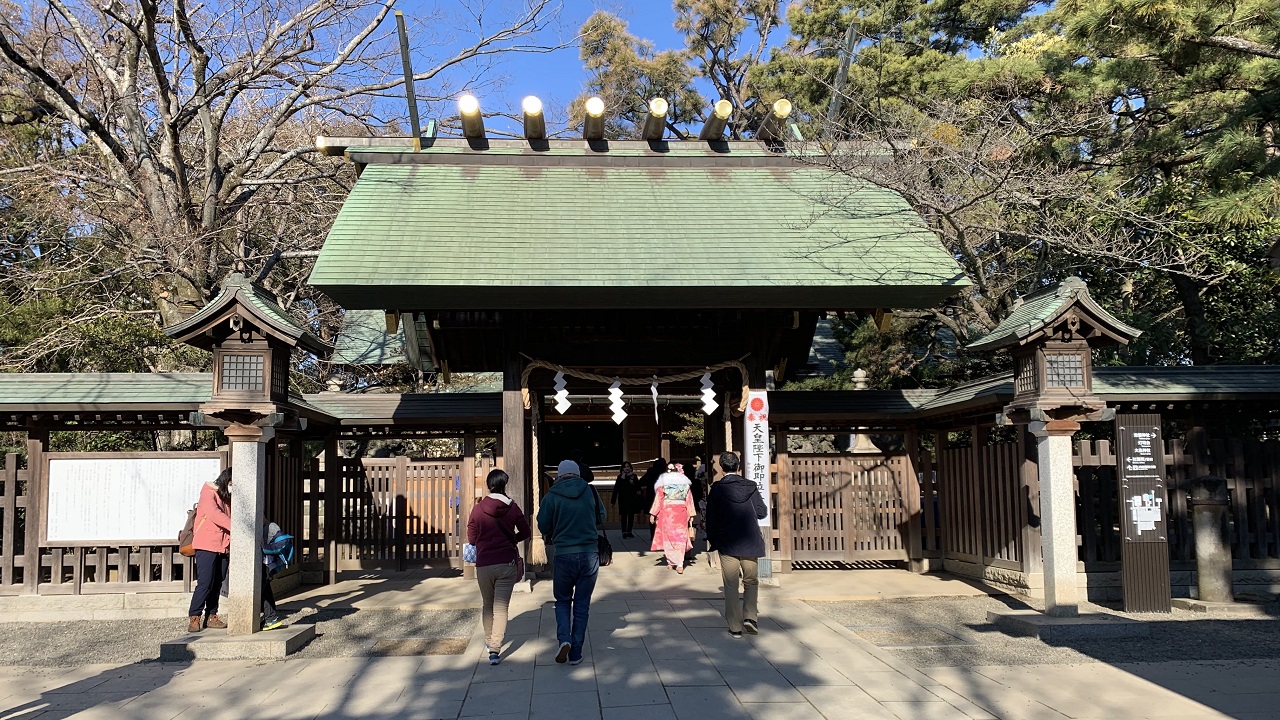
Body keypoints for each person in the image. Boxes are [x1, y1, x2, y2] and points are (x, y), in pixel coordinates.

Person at [537, 459, 606, 665]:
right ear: (577, 473)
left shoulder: (551, 495)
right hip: (589, 553)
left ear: (559, 474)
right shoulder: (590, 491)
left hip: (563, 553)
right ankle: (576, 652)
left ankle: (564, 639)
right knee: (582, 603)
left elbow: (543, 524)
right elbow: (601, 515)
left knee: (563, 600)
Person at [467, 469, 532, 665]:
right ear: (505, 485)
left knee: (487, 604)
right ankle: (495, 649)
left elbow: (471, 537)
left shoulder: (478, 509)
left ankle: (488, 641)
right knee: (501, 608)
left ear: (488, 485)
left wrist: (484, 542)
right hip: (506, 561)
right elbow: (526, 531)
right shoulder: (512, 507)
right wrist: (512, 539)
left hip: (484, 562)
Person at [704, 452, 768, 638]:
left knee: (731, 584)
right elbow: (762, 512)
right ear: (738, 466)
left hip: (727, 541)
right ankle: (750, 617)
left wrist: (713, 540)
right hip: (749, 540)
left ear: (721, 468)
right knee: (751, 580)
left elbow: (711, 518)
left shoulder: (717, 489)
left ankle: (735, 626)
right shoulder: (751, 487)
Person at [187, 468, 232, 633]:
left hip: (223, 545)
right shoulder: (208, 492)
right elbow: (214, 514)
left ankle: (212, 615)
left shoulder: (226, 496)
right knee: (205, 583)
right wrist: (237, 527)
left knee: (217, 583)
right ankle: (194, 616)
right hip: (206, 544)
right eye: (231, 483)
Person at [648, 463, 695, 573]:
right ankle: (671, 561)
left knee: (678, 538)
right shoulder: (668, 486)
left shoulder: (684, 486)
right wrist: (653, 513)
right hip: (670, 513)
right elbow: (659, 499)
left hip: (676, 513)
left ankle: (679, 563)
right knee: (670, 538)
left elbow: (689, 499)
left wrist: (691, 514)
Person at [261, 521, 294, 631]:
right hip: (265, 564)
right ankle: (270, 618)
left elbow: (282, 542)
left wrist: (263, 548)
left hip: (266, 563)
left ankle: (270, 618)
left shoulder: (271, 526)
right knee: (265, 590)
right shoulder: (266, 526)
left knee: (262, 590)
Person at [611, 461, 643, 538]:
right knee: (624, 516)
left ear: (631, 468)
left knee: (631, 516)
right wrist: (613, 501)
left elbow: (638, 488)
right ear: (622, 468)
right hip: (623, 499)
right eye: (625, 467)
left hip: (632, 499)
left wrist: (633, 483)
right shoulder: (620, 477)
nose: (627, 468)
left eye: (628, 466)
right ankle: (624, 532)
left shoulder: (634, 476)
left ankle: (629, 531)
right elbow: (616, 489)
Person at [638, 458, 665, 537]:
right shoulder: (664, 473)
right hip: (662, 496)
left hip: (651, 496)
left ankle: (652, 534)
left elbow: (641, 481)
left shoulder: (650, 472)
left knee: (652, 515)